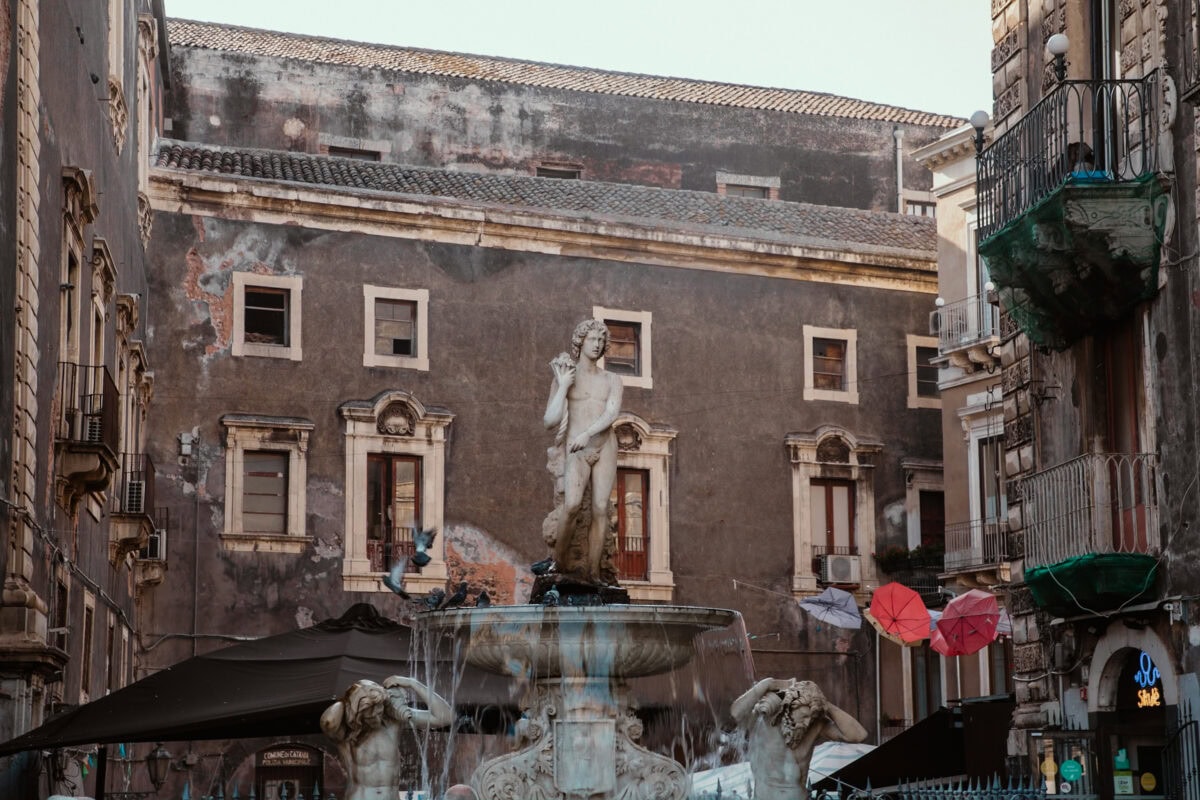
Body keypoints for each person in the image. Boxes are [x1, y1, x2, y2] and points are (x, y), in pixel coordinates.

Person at [542, 319, 624, 583]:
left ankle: (593, 573)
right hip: (575, 450)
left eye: (601, 341)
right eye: (592, 339)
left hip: (603, 444)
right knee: (573, 505)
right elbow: (549, 421)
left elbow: (612, 412)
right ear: (580, 341)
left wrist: (588, 433)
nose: (597, 345)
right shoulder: (567, 375)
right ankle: (559, 565)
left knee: (601, 508)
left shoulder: (613, 379)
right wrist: (564, 385)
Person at [320, 675, 454, 800]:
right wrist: (351, 699)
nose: (377, 714)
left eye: (379, 708)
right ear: (357, 711)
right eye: (370, 710)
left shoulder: (393, 721)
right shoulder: (346, 734)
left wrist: (412, 683)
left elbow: (447, 717)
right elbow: (328, 721)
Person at [730, 678, 867, 800]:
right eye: (802, 716)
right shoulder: (762, 719)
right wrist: (767, 683)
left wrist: (825, 704)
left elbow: (858, 735)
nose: (806, 723)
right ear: (788, 708)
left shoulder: (815, 725)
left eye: (810, 717)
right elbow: (735, 713)